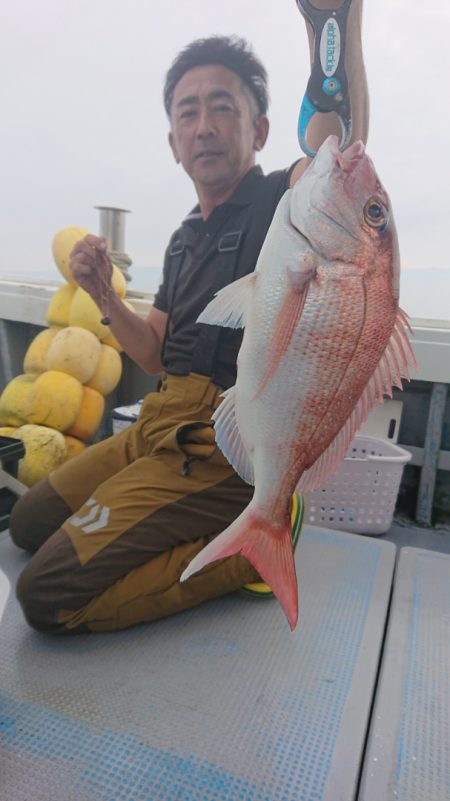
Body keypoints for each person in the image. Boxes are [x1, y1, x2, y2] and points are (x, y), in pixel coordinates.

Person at [9, 1, 368, 634]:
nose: (204, 125)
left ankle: (253, 546)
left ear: (259, 130)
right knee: (28, 524)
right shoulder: (182, 240)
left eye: (223, 107)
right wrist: (105, 297)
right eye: (188, 111)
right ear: (173, 142)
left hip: (220, 444)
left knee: (49, 595)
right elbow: (152, 353)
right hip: (158, 423)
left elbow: (339, 146)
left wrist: (332, 28)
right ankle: (212, 529)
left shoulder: (287, 203)